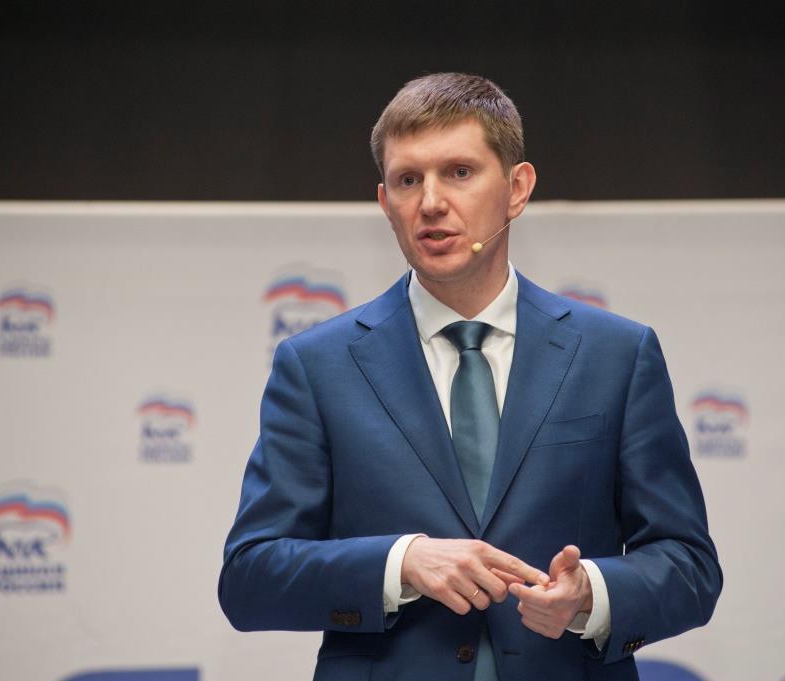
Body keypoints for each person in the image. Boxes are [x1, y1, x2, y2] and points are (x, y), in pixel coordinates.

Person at [219, 72, 722, 681]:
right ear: (385, 202)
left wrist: (592, 592)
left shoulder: (616, 355)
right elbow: (249, 577)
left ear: (517, 188)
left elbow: (689, 565)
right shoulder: (317, 365)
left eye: (459, 172)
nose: (431, 202)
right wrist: (401, 563)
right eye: (408, 180)